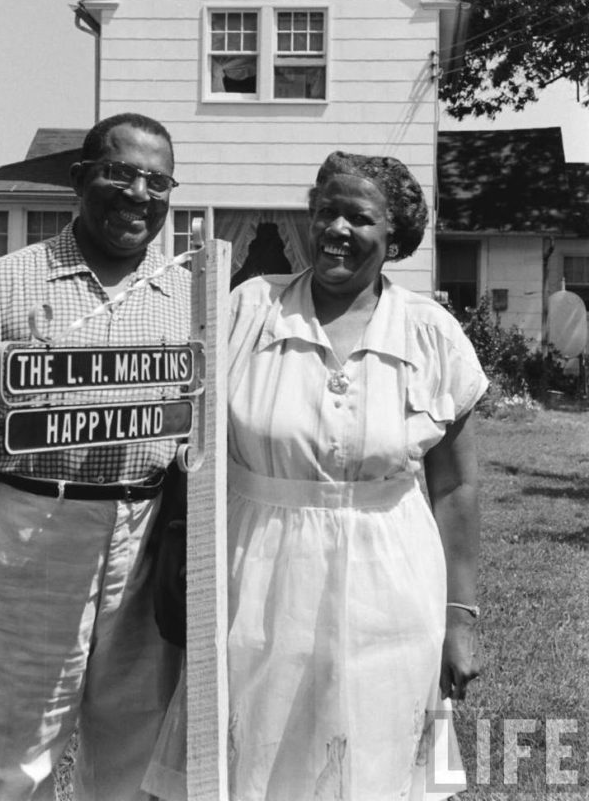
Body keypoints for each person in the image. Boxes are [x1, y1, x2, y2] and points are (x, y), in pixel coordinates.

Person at [145, 151, 488, 801]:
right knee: (256, 767)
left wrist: (460, 622)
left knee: (375, 768)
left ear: (394, 236)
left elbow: (456, 487)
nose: (336, 229)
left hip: (391, 589)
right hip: (260, 583)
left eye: (358, 217)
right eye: (326, 211)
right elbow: (189, 448)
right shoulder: (249, 310)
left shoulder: (432, 332)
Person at [0, 113, 191, 801]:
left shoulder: (191, 296)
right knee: (8, 762)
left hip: (145, 541)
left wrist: (181, 557)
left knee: (135, 762)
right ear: (79, 180)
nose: (138, 193)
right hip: (30, 533)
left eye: (157, 180)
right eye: (119, 173)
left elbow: (199, 446)